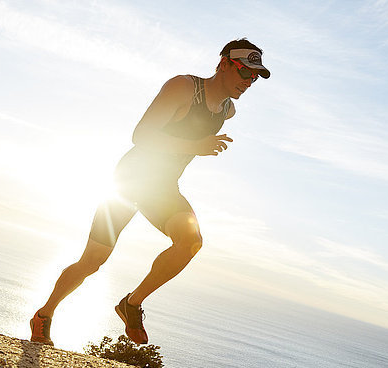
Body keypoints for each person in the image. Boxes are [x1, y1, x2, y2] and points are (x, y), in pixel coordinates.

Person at [30, 38, 270, 346]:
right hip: (131, 180)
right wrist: (194, 146)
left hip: (163, 187)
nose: (248, 82)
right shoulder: (183, 88)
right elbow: (140, 135)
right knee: (92, 260)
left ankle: (131, 304)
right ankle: (44, 315)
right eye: (244, 72)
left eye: (254, 77)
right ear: (223, 63)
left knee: (190, 242)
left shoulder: (228, 109)